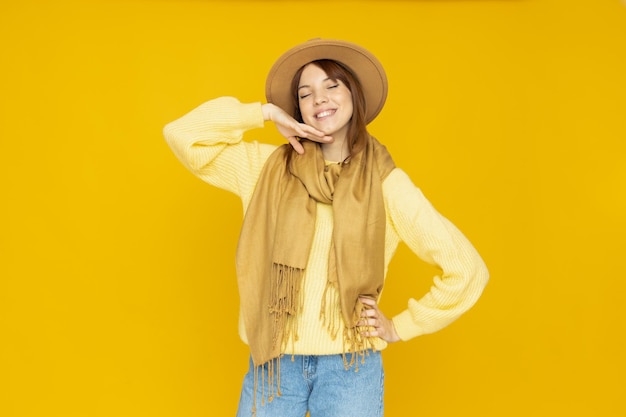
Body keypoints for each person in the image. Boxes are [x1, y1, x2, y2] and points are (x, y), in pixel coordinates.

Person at [163, 38, 489, 417]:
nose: (319, 99)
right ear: (297, 108)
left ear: (354, 94)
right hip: (274, 367)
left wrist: (401, 326)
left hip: (350, 369)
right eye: (305, 93)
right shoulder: (263, 169)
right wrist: (265, 113)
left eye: (331, 86)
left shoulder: (386, 184)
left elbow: (467, 269)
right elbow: (182, 134)